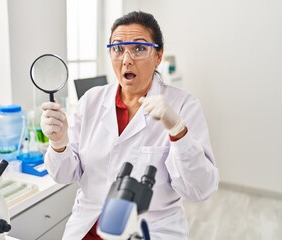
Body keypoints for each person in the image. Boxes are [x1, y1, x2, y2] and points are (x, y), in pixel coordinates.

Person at [40, 11, 219, 240]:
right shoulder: (91, 101)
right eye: (118, 48)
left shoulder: (184, 105)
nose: (126, 59)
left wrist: (178, 131)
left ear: (158, 55)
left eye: (139, 48)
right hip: (89, 227)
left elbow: (200, 190)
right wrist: (58, 142)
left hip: (148, 230)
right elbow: (65, 174)